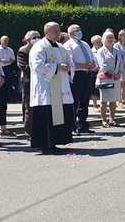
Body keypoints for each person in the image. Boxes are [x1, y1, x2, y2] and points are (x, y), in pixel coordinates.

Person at [28, 22, 76, 154]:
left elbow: (70, 61)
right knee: (46, 116)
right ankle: (44, 144)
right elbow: (37, 66)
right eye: (54, 31)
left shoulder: (61, 47)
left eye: (58, 30)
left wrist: (68, 66)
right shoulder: (39, 47)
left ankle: (53, 142)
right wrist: (57, 68)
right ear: (46, 32)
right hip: (46, 89)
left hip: (59, 88)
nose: (57, 33)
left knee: (58, 116)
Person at [61, 25, 96, 135]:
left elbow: (92, 57)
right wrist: (85, 65)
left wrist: (93, 64)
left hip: (86, 74)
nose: (79, 32)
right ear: (71, 33)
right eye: (76, 31)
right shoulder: (68, 46)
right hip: (76, 75)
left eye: (79, 30)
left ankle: (82, 124)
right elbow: (70, 63)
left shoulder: (85, 44)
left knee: (84, 100)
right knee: (74, 101)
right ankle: (72, 125)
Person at [96, 31, 122, 127]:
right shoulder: (101, 51)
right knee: (104, 100)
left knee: (113, 100)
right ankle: (104, 120)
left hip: (116, 78)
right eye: (108, 38)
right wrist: (114, 74)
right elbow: (103, 65)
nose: (110, 39)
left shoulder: (117, 51)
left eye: (112, 37)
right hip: (106, 78)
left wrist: (119, 73)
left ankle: (112, 119)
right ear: (104, 40)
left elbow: (120, 64)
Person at [17, 30, 40, 137]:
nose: (36, 39)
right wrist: (41, 70)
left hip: (42, 83)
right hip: (29, 82)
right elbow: (24, 67)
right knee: (29, 109)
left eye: (38, 37)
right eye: (33, 37)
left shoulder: (42, 49)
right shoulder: (23, 51)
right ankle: (30, 132)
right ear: (27, 40)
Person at [0, 35, 16, 137]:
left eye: (7, 40)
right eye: (4, 40)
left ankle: (3, 128)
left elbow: (11, 60)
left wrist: (1, 79)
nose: (6, 42)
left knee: (3, 105)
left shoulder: (10, 50)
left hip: (4, 77)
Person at [90, 35, 103, 110]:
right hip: (94, 72)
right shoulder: (91, 51)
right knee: (94, 89)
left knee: (102, 89)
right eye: (97, 42)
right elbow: (91, 61)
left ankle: (103, 105)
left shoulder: (103, 50)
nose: (99, 43)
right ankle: (95, 105)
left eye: (100, 41)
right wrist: (96, 67)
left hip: (102, 72)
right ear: (93, 43)